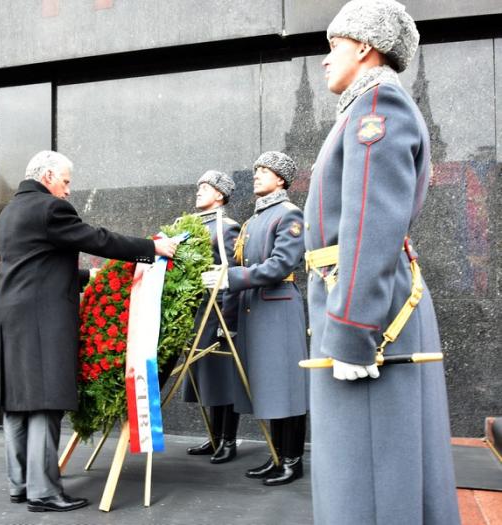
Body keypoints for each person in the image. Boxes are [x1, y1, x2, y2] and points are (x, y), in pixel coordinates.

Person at [304, 1, 460, 523]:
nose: (325, 60)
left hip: (368, 313)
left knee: (367, 477)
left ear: (365, 47)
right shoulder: (363, 108)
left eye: (334, 46)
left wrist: (351, 329)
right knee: (367, 467)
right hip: (360, 298)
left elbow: (371, 225)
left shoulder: (378, 108)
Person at [0, 150, 178, 513]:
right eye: (65, 182)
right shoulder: (50, 208)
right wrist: (151, 248)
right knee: (44, 402)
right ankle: (43, 492)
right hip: (41, 320)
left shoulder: (9, 212)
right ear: (47, 176)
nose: (67, 191)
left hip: (11, 316)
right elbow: (97, 239)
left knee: (16, 403)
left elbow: (33, 263)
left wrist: (88, 278)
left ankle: (20, 484)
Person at [202, 151, 308, 486]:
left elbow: (281, 265)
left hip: (278, 309)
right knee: (270, 386)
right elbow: (240, 262)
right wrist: (222, 274)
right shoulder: (253, 220)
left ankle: (292, 460)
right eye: (257, 170)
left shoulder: (289, 215)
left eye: (265, 171)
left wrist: (232, 278)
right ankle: (276, 455)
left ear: (281, 179)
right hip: (257, 310)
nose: (258, 175)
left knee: (287, 388)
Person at [182, 170, 241, 464]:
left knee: (224, 376)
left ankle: (228, 440)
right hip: (196, 314)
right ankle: (215, 437)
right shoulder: (191, 226)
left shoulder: (225, 227)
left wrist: (226, 323)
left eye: (205, 187)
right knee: (206, 378)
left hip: (216, 313)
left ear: (220, 194)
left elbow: (228, 276)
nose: (198, 191)